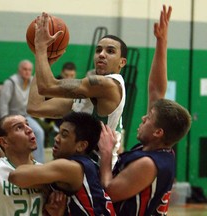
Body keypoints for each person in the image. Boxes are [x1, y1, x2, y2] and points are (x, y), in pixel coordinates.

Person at [98, 5, 191, 216]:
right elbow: (156, 90)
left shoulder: (149, 164)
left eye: (148, 118)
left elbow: (110, 191)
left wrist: (106, 154)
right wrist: (161, 42)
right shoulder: (155, 148)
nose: (143, 117)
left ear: (159, 132)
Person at [27, 12, 127, 166]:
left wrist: (41, 49)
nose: (102, 54)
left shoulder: (108, 85)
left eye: (110, 51)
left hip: (95, 169)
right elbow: (35, 107)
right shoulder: (86, 97)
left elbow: (47, 86)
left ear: (122, 62)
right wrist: (45, 60)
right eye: (98, 50)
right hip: (80, 165)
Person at [9, 111, 115, 215]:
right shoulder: (88, 165)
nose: (56, 138)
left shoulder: (72, 167)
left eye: (64, 135)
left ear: (81, 146)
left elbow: (16, 176)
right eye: (58, 133)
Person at [0, 60, 45, 163]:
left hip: (25, 117)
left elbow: (38, 100)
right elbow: (3, 103)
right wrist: (4, 122)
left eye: (29, 70)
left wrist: (41, 118)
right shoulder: (10, 82)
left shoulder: (33, 82)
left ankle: (39, 163)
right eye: (24, 69)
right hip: (10, 117)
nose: (27, 72)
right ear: (19, 70)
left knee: (39, 132)